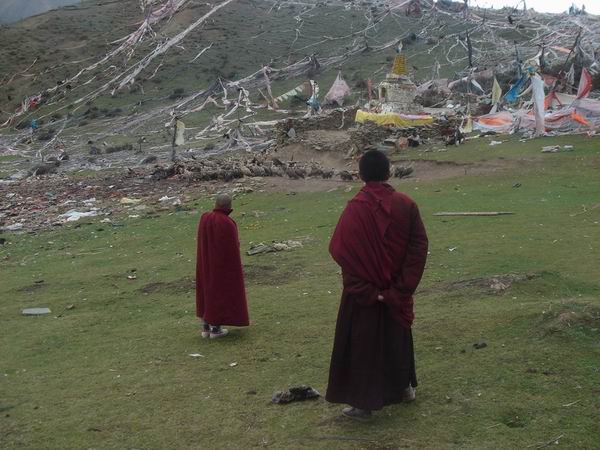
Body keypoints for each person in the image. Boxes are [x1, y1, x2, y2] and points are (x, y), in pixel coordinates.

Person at [326, 150, 429, 420]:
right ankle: (404, 388)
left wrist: (367, 289)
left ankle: (363, 404)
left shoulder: (355, 208)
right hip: (396, 289)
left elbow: (340, 250)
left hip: (365, 293)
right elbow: (418, 248)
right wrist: (401, 288)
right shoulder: (406, 204)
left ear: (360, 175)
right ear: (388, 172)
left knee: (363, 343)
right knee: (397, 337)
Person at [196, 193, 249, 339]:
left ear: (216, 204)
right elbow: (232, 248)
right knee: (219, 293)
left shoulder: (204, 218)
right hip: (220, 265)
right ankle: (215, 328)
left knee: (206, 290)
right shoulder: (227, 223)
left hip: (205, 262)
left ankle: (206, 326)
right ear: (229, 206)